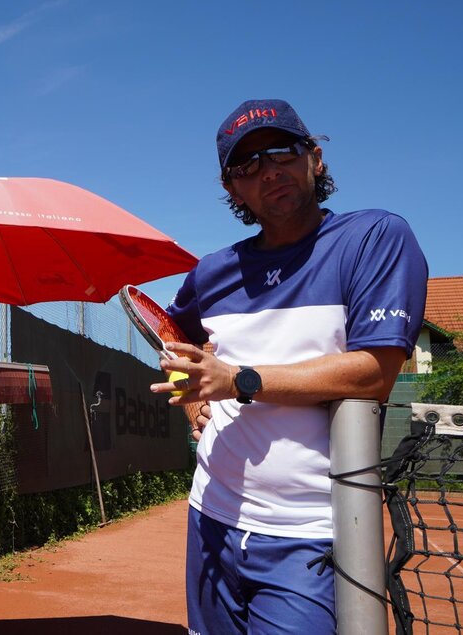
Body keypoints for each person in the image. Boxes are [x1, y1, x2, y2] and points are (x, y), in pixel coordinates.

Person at [151, 99, 427, 634]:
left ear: (314, 158)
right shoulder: (212, 273)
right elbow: (175, 338)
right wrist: (194, 399)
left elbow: (375, 371)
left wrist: (239, 381)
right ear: (233, 189)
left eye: (280, 150)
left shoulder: (373, 238)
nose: (268, 169)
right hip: (211, 518)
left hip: (316, 532)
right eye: (246, 165)